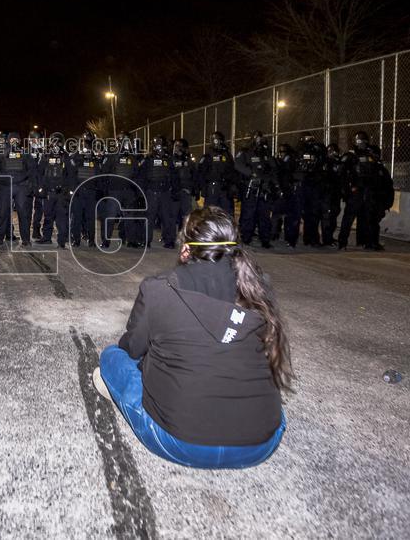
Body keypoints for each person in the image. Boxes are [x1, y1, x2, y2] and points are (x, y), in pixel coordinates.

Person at [93, 206, 291, 469]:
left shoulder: (159, 288)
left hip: (181, 443)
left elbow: (132, 348)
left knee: (112, 357)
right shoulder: (257, 287)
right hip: (261, 443)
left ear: (186, 248)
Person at [234, 131, 276, 248]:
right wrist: (251, 173)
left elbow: (273, 168)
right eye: (257, 139)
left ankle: (265, 240)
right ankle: (246, 238)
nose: (259, 141)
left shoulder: (265, 153)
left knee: (264, 215)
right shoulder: (245, 152)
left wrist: (270, 181)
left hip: (264, 188)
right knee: (248, 214)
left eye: (261, 139)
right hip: (251, 187)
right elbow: (237, 165)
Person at [99, 135, 142, 248]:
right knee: (110, 217)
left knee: (130, 218)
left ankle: (131, 240)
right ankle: (106, 240)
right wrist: (104, 191)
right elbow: (104, 174)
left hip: (128, 192)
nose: (126, 145)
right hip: (114, 191)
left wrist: (137, 192)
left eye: (128, 143)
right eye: (124, 143)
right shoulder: (111, 157)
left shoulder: (132, 158)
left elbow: (137, 175)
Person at [138, 135, 180, 248]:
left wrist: (175, 191)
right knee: (149, 217)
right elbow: (141, 177)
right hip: (151, 192)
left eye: (160, 145)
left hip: (165, 193)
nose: (159, 148)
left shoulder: (169, 159)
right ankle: (146, 241)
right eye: (157, 145)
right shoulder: (148, 160)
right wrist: (141, 193)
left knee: (167, 218)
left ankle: (169, 241)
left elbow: (175, 177)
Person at [36, 133, 72, 248]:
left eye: (58, 142)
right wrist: (41, 188)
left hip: (61, 192)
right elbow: (40, 172)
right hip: (49, 192)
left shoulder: (65, 156)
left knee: (61, 217)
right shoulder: (46, 155)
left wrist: (69, 189)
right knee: (48, 216)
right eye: (54, 141)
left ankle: (61, 241)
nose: (56, 144)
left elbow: (71, 174)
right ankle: (47, 238)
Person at [68, 131, 102, 247]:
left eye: (89, 142)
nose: (87, 145)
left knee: (90, 217)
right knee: (77, 217)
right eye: (86, 142)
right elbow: (71, 172)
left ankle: (91, 240)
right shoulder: (76, 155)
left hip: (91, 191)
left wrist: (96, 157)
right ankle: (76, 239)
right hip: (78, 191)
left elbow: (99, 173)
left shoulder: (96, 156)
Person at [294, 132, 327, 247]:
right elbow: (300, 166)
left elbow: (321, 161)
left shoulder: (316, 150)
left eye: (311, 138)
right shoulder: (299, 151)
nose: (310, 141)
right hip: (303, 184)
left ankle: (312, 239)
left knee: (314, 212)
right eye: (307, 138)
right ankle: (300, 238)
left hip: (314, 183)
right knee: (302, 212)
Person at [320, 143, 343, 247]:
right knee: (327, 217)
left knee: (334, 214)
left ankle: (330, 237)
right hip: (327, 194)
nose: (333, 154)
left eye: (335, 152)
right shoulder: (325, 163)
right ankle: (327, 239)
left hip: (335, 193)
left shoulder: (337, 162)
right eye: (331, 152)